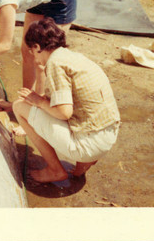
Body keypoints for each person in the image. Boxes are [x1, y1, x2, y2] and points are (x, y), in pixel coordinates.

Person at [12, 18, 120, 183]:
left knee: (19, 107)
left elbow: (63, 112)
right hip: (108, 137)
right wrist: (40, 101)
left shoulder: (55, 63)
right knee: (54, 108)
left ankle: (55, 170)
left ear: (37, 47)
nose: (34, 58)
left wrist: (37, 101)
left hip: (88, 145)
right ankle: (82, 166)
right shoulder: (72, 57)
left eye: (31, 51)